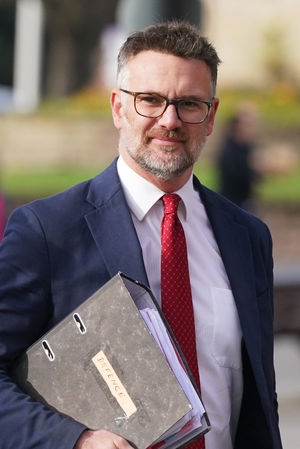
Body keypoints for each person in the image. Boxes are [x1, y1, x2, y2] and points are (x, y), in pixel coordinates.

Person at [0, 21, 282, 449]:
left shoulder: (247, 236)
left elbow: (257, 402)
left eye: (190, 103)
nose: (170, 120)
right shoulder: (48, 231)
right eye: (150, 100)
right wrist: (76, 440)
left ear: (211, 117)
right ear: (117, 107)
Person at [217, 107, 261, 210]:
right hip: (233, 204)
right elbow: (239, 178)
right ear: (237, 127)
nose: (252, 130)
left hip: (243, 201)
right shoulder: (230, 151)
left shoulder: (246, 148)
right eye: (248, 125)